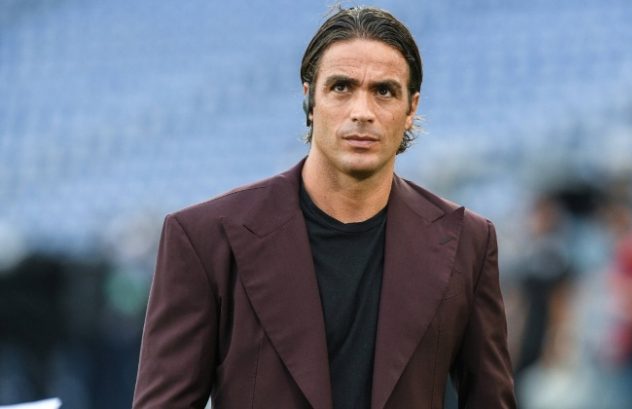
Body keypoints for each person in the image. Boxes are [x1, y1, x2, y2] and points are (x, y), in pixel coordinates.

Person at [132, 6, 516, 409]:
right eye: (341, 87)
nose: (362, 112)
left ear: (411, 109)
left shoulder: (468, 242)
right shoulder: (204, 239)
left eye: (384, 91)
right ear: (310, 99)